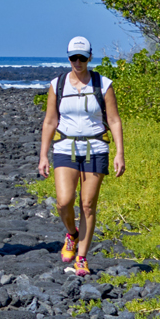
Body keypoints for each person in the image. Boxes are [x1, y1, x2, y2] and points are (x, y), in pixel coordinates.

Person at [36, 36, 124, 277]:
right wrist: (43, 155)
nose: (78, 62)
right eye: (74, 58)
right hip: (65, 147)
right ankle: (72, 234)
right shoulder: (58, 84)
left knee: (87, 204)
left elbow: (114, 120)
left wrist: (120, 153)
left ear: (90, 58)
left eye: (82, 58)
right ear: (68, 58)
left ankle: (82, 258)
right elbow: (50, 120)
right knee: (64, 201)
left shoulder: (103, 84)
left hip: (96, 148)